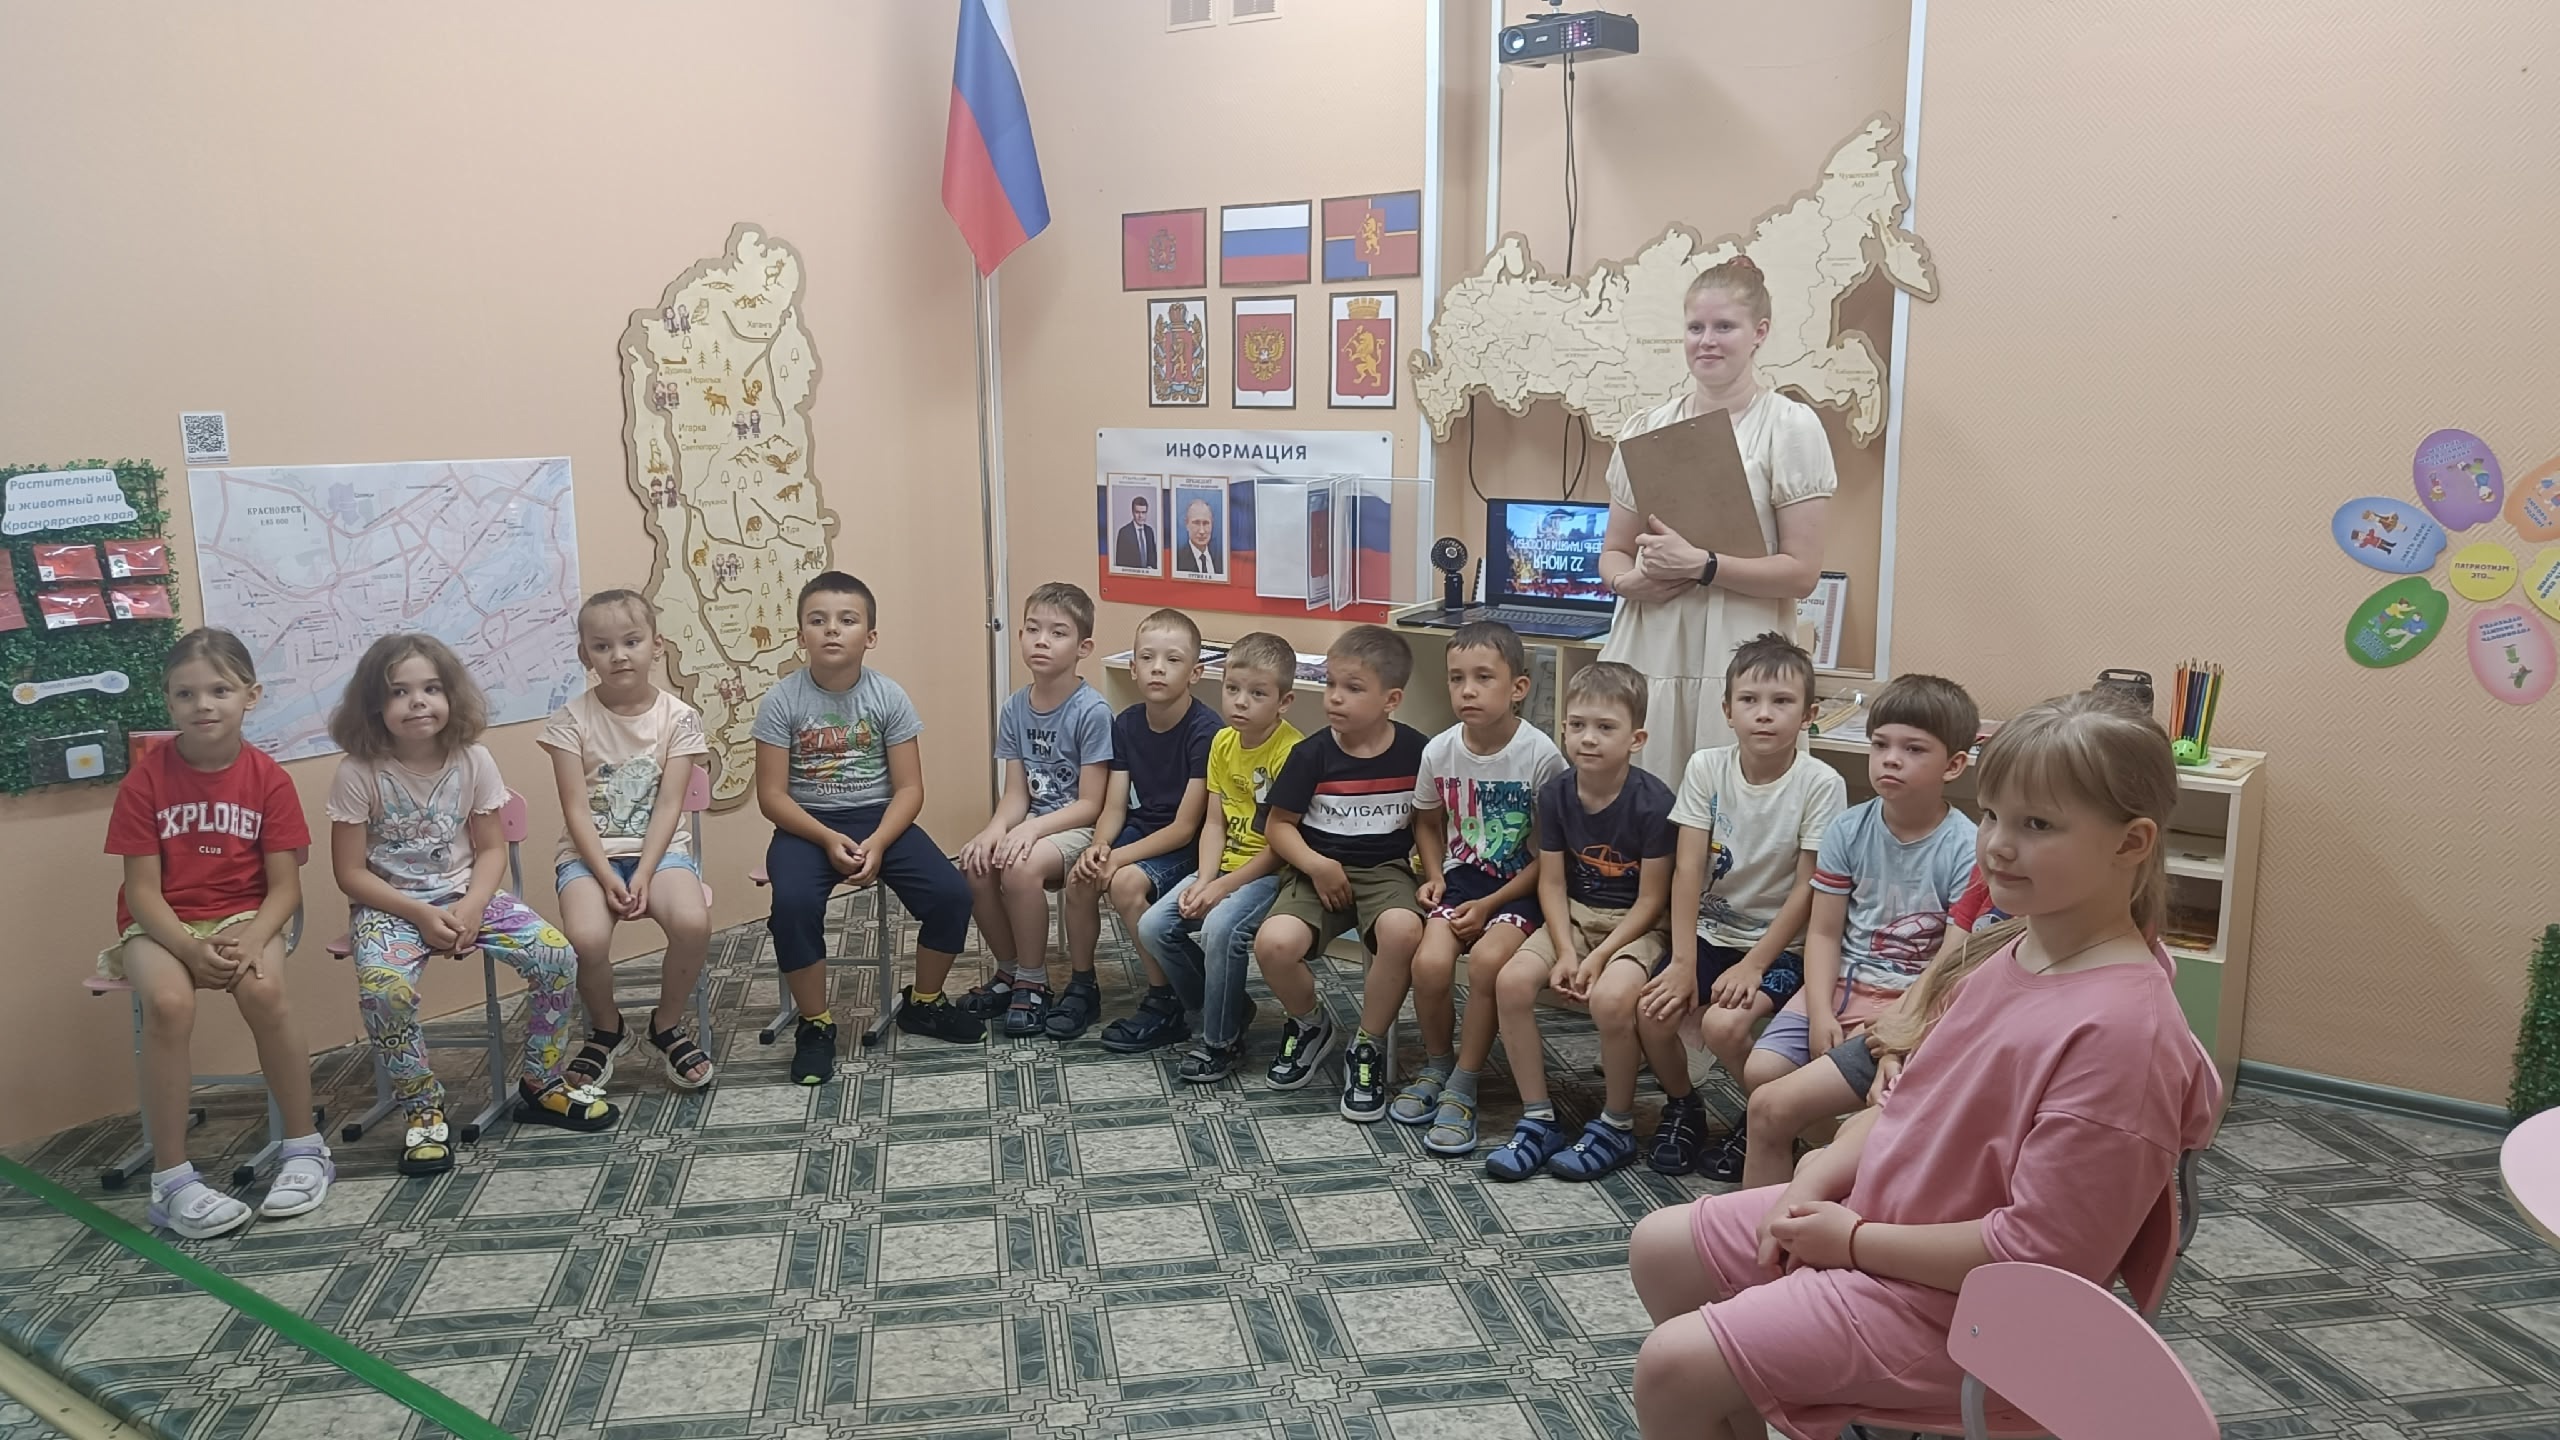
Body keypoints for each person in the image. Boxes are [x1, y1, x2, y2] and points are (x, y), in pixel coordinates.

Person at [1624, 691, 2220, 1440]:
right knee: (1661, 1249)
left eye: (2037, 825)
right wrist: (1813, 1181)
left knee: (1673, 1366)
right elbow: (1907, 1105)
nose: (1997, 846)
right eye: (1993, 815)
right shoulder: (2013, 949)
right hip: (1890, 1222)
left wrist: (1850, 1242)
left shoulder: (2123, 1036)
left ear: (2131, 843)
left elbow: (2040, 1257)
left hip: (1967, 1311)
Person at [326, 634, 611, 1176]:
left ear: (451, 695)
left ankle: (542, 1082)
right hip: (390, 909)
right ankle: (422, 1108)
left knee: (556, 956)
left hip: (467, 895)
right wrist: (419, 914)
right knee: (385, 992)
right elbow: (350, 873)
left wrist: (474, 906)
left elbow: (491, 850)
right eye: (399, 691)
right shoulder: (357, 772)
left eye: (431, 688)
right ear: (374, 704)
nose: (418, 702)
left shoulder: (474, 760)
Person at [102, 628, 330, 1237]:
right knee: (169, 1003)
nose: (203, 704)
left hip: (244, 915)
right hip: (161, 922)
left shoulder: (269, 779)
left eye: (219, 690)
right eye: (186, 693)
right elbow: (142, 892)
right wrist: (187, 947)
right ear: (168, 700)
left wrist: (252, 938)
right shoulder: (145, 782)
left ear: (250, 696)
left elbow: (285, 889)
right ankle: (171, 1179)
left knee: (265, 991)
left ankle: (305, 1148)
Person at [1594, 257, 1838, 786]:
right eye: (1695, 327)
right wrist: (1626, 582)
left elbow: (1801, 573)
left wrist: (1703, 565)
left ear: (1759, 333)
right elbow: (1613, 551)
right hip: (1650, 641)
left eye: (1724, 326)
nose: (1707, 341)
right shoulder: (1647, 427)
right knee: (1638, 796)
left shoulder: (1789, 427)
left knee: (1728, 799)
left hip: (1738, 650)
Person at [1736, 673, 1979, 1190]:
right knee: (1761, 1073)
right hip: (1840, 983)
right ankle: (1804, 1175)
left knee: (1868, 1101)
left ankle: (1838, 1173)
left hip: (1909, 997)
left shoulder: (1966, 846)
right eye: (1880, 745)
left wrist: (1901, 1021)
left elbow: (1951, 963)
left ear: (1954, 765)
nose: (1891, 759)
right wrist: (1821, 1011)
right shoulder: (1849, 828)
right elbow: (1824, 933)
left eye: (1913, 749)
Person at [755, 572, 982, 1083]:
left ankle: (925, 1001)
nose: (832, 630)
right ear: (800, 636)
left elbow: (910, 789)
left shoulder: (888, 697)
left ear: (870, 636)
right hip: (806, 825)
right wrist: (825, 837)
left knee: (951, 894)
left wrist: (878, 842)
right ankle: (815, 1024)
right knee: (792, 905)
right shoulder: (781, 701)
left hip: (881, 818)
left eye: (847, 620)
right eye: (818, 620)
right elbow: (772, 797)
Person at [1649, 632, 1845, 1180]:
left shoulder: (1821, 783)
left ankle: (1765, 1120)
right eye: (1749, 700)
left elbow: (1810, 888)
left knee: (1725, 1027)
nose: (1764, 714)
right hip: (1710, 933)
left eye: (1781, 702)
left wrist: (1755, 963)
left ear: (1807, 715)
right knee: (1652, 1012)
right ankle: (1684, 1106)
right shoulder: (1706, 767)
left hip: (1782, 947)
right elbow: (1687, 870)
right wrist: (1683, 960)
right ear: (1727, 709)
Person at [1486, 661, 1678, 1181]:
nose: (1588, 738)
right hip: (1574, 915)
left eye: (1605, 727)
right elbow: (1551, 882)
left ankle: (1616, 1125)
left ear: (1636, 739)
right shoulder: (1555, 794)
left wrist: (1597, 958)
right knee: (1511, 982)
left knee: (1611, 1000)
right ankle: (1538, 1118)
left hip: (1637, 925)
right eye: (1577, 725)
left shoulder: (1655, 803)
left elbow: (1652, 901)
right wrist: (1568, 951)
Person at [1398, 621, 1564, 1157]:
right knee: (1428, 964)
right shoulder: (1439, 751)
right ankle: (1438, 1065)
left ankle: (1465, 1083)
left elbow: (1553, 854)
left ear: (1518, 687)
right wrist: (1434, 875)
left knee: (1490, 962)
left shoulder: (1541, 756)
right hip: (1462, 879)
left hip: (1521, 884)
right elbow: (1427, 821)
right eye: (1457, 678)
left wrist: (1490, 904)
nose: (1467, 690)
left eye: (1483, 678)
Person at [1250, 625, 1428, 1121]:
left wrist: (1432, 874)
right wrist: (1316, 864)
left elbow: (1428, 823)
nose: (1334, 697)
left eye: (1353, 688)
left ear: (1391, 699)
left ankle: (1366, 1044)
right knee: (1274, 944)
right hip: (1316, 871)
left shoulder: (1418, 752)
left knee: (1403, 930)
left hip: (1386, 871)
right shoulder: (1310, 754)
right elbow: (1279, 827)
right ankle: (1310, 1023)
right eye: (1330, 684)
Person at [543, 589, 716, 1094]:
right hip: (588, 857)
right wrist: (605, 874)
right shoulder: (569, 721)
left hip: (660, 853)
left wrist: (642, 872)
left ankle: (666, 1024)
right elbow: (576, 810)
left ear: (656, 645)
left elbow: (669, 804)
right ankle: (607, 1028)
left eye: (631, 641)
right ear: (585, 654)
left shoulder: (678, 717)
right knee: (586, 939)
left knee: (692, 923)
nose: (618, 655)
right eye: (602, 646)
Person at [1139, 632, 1302, 1083]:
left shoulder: (1292, 752)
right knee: (1153, 926)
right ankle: (1226, 1007)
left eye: (1258, 694)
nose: (1241, 702)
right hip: (1225, 866)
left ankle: (1220, 1041)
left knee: (1220, 928)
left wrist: (1222, 888)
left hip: (1272, 872)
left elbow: (1279, 845)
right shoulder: (1222, 742)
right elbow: (1214, 823)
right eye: (1232, 689)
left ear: (1284, 702)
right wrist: (1203, 880)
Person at [1054, 608, 1220, 1045]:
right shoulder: (1126, 723)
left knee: (1125, 884)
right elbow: (1114, 806)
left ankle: (1165, 1001)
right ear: (1132, 668)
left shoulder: (1206, 731)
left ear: (1196, 672)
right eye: (1147, 658)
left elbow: (1185, 827)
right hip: (1142, 830)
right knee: (1081, 877)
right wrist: (1099, 848)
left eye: (1172, 659)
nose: (1157, 668)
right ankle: (1083, 986)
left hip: (1189, 843)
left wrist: (1118, 859)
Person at [960, 582, 1113, 1036]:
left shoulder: (1092, 711)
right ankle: (1009, 971)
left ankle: (1033, 980)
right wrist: (995, 830)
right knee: (976, 863)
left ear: (1083, 647)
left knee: (1018, 867)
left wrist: (1029, 832)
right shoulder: (1014, 708)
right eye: (1032, 629)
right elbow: (1016, 795)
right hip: (1037, 821)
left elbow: (1091, 804)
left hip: (1078, 827)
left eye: (1057, 633)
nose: (1041, 641)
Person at [1175, 497, 1223, 577]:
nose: (1202, 531)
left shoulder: (1221, 560)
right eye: (1196, 523)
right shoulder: (1177, 560)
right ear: (1186, 524)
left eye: (1206, 523)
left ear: (1212, 524)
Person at [1113, 494, 1161, 572]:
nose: (1140, 516)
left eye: (1143, 512)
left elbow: (1153, 558)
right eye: (1137, 512)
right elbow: (1120, 562)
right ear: (1132, 512)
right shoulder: (1124, 532)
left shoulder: (1149, 531)